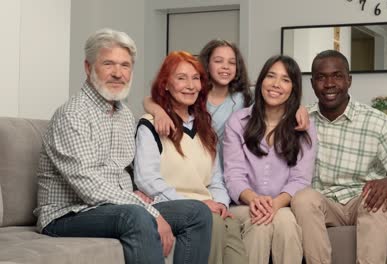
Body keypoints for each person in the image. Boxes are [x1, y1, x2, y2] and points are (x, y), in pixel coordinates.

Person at [33, 28, 212, 264]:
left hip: (112, 207)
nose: (118, 73)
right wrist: (147, 209)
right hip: (67, 214)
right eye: (109, 64)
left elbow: (124, 170)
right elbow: (90, 188)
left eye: (125, 65)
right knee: (136, 215)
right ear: (88, 67)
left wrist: (139, 195)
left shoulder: (124, 115)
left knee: (196, 212)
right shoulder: (72, 115)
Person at [291, 49, 387, 264]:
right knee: (303, 198)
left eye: (337, 76)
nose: (329, 83)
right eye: (321, 77)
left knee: (375, 199)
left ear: (349, 80)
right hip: (324, 202)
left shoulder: (378, 123)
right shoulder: (301, 121)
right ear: (312, 83)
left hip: (365, 199)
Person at [133, 51, 248, 264]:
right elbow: (146, 179)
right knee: (210, 220)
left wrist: (221, 203)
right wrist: (199, 205)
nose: (190, 85)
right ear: (166, 84)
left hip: (205, 206)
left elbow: (216, 179)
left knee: (229, 224)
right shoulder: (150, 124)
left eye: (195, 78)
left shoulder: (205, 127)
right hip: (170, 205)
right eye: (181, 77)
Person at [143, 39, 310, 167]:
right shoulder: (194, 94)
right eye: (218, 61)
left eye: (231, 62)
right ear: (207, 63)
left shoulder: (246, 96)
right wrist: (159, 112)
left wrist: (299, 108)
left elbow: (277, 95)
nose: (225, 67)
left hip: (235, 168)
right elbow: (149, 99)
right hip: (200, 167)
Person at [223, 55, 317, 264]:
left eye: (285, 79)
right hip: (244, 205)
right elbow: (233, 175)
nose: (276, 84)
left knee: (285, 221)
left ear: (293, 88)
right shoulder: (238, 122)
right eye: (271, 76)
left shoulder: (304, 127)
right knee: (260, 222)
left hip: (283, 205)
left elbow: (300, 179)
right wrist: (254, 200)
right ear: (261, 81)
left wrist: (275, 204)